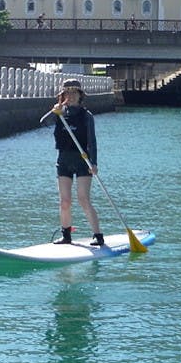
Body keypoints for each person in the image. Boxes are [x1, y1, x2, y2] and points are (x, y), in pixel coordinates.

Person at [45, 79, 104, 246]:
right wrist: (54, 111)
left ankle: (98, 235)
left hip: (82, 160)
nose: (70, 96)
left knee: (83, 199)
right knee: (65, 201)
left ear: (80, 96)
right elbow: (45, 122)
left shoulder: (87, 116)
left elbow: (92, 141)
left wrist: (94, 163)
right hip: (63, 160)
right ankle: (66, 235)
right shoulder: (59, 114)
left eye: (73, 93)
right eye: (67, 93)